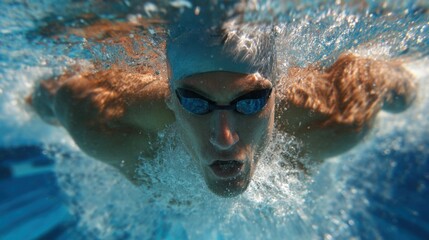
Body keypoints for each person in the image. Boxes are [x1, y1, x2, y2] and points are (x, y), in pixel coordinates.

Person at [28, 21, 416, 197]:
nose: (224, 137)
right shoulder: (105, 120)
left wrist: (406, 86)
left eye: (250, 102)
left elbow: (383, 80)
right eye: (195, 102)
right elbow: (53, 96)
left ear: (277, 96)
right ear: (169, 98)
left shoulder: (334, 117)